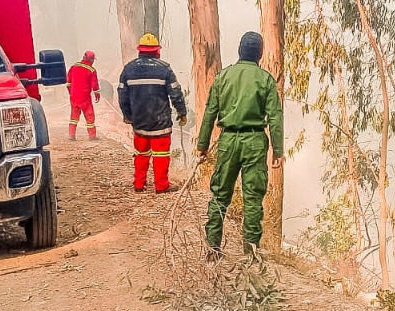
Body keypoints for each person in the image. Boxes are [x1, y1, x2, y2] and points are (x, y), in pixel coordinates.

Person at [196, 31, 283, 259]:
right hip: (254, 142)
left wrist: (202, 144)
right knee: (252, 199)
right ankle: (250, 255)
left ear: (239, 51)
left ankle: (213, 250)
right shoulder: (266, 80)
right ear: (260, 54)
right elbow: (275, 117)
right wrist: (278, 150)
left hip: (228, 141)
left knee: (219, 195)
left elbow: (210, 113)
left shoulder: (223, 76)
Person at [118, 33, 188, 193]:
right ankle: (161, 186)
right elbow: (175, 93)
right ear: (157, 51)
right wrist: (182, 112)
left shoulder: (128, 69)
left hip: (139, 122)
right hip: (160, 123)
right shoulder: (165, 69)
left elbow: (122, 94)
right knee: (161, 156)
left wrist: (127, 115)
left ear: (140, 50)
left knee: (140, 154)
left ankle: (139, 184)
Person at [66, 50, 101, 140]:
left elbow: (68, 83)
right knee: (89, 115)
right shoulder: (91, 70)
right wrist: (97, 94)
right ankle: (92, 136)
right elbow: (94, 85)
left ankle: (71, 135)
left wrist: (71, 93)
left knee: (74, 116)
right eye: (93, 60)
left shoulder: (74, 67)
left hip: (74, 96)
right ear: (91, 60)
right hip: (85, 97)